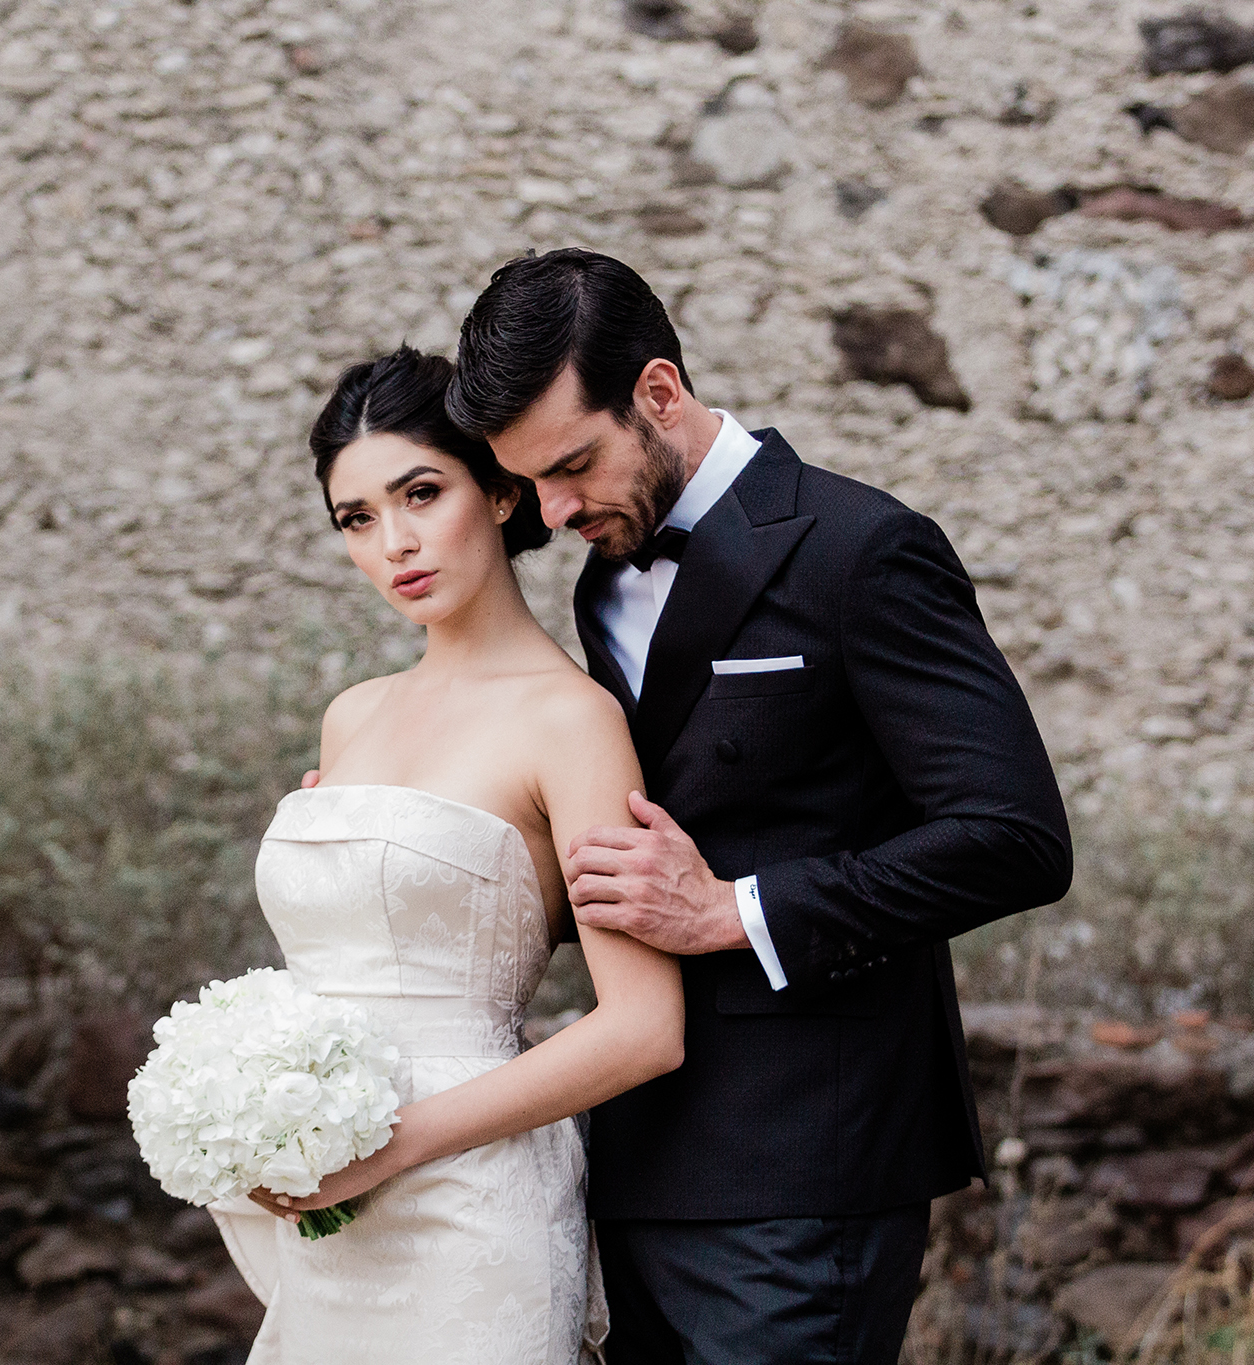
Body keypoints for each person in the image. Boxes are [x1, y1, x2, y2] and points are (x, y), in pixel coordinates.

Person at [445, 248, 1074, 1365]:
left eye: (572, 466)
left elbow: (1013, 838)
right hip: (634, 1149)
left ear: (657, 393)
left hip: (808, 1166)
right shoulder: (604, 579)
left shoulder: (863, 550)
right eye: (527, 482)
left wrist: (735, 913)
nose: (548, 511)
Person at [208, 345, 684, 1365]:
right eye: (358, 518)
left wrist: (398, 1142)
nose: (396, 543)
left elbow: (644, 1029)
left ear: (502, 492)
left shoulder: (571, 721)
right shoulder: (351, 718)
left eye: (421, 493)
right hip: (327, 1206)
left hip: (468, 1209)